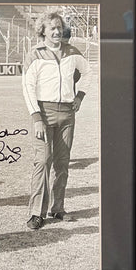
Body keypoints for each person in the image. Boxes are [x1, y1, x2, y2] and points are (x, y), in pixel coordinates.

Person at [22, 11, 90, 230]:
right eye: (52, 27)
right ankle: (36, 213)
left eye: (59, 27)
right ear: (43, 30)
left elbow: (88, 73)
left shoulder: (72, 52)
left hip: (67, 114)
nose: (57, 31)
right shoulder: (35, 54)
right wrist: (36, 118)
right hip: (44, 112)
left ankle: (58, 208)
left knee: (62, 163)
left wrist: (79, 96)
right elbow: (28, 87)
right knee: (43, 161)